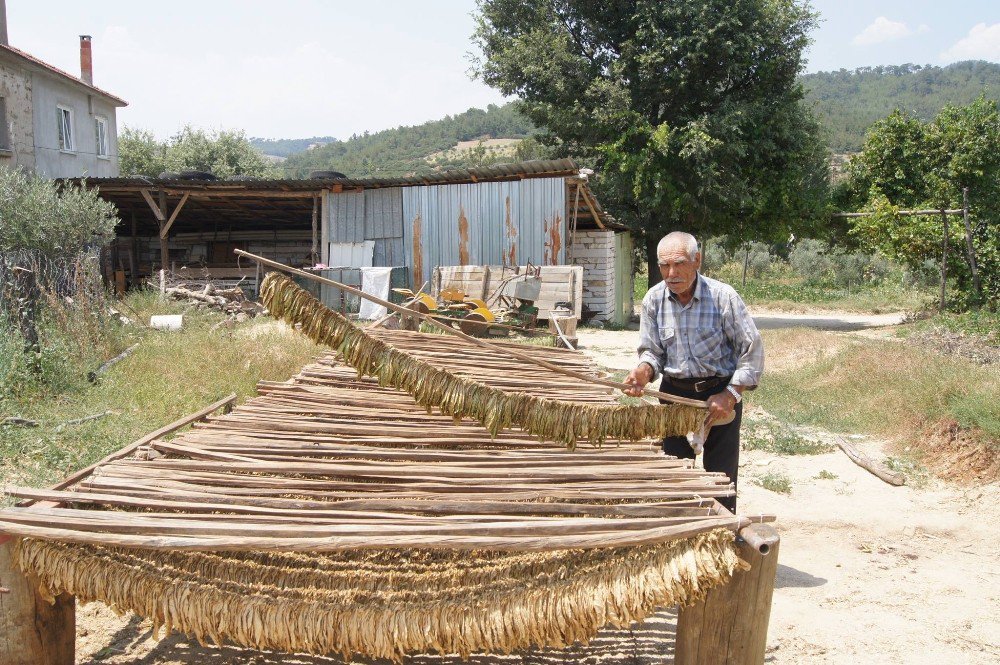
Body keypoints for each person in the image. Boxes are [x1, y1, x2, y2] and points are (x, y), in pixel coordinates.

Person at [624, 232, 763, 513]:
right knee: (675, 476)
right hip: (674, 396)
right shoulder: (654, 299)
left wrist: (731, 393)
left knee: (720, 478)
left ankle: (722, 536)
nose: (671, 273)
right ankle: (681, 536)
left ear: (697, 260)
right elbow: (652, 352)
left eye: (679, 264)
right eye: (664, 266)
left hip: (718, 397)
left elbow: (752, 352)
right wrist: (643, 371)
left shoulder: (723, 298)